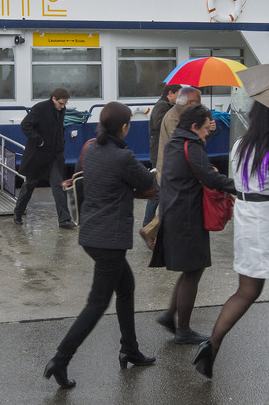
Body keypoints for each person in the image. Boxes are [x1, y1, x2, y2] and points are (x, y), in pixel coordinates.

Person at [192, 102, 269, 382]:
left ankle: (212, 344)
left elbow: (240, 183)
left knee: (246, 291)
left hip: (247, 218)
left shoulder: (240, 145)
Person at [43, 102, 159, 390]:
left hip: (91, 234)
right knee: (97, 304)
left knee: (126, 287)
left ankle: (129, 348)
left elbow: (108, 182)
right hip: (110, 240)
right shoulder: (124, 157)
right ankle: (60, 359)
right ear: (124, 127)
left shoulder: (92, 149)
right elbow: (148, 181)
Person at [149, 104, 236, 345]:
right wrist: (239, 187)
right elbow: (209, 177)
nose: (208, 132)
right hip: (188, 215)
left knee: (189, 270)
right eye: (206, 128)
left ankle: (170, 315)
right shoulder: (192, 144)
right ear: (194, 126)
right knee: (194, 271)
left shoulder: (175, 142)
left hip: (174, 211)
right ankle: (183, 330)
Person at [139, 86, 203, 248]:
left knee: (170, 200)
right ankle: (149, 229)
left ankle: (152, 230)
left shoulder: (176, 113)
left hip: (169, 163)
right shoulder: (170, 113)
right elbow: (181, 141)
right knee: (168, 200)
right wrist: (199, 131)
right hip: (169, 165)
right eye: (197, 103)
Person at [14, 88, 75, 228]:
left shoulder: (61, 110)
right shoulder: (40, 108)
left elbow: (59, 129)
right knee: (29, 185)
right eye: (61, 103)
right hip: (38, 155)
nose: (63, 107)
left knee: (58, 186)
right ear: (54, 99)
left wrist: (61, 145)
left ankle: (64, 220)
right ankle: (18, 212)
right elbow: (25, 125)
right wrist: (38, 140)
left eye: (65, 104)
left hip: (54, 155)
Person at [143, 84, 181, 229]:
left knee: (161, 192)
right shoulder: (162, 106)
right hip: (160, 155)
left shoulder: (166, 106)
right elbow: (160, 124)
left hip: (163, 154)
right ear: (170, 93)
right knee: (157, 193)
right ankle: (147, 226)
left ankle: (153, 226)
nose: (180, 98)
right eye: (178, 94)